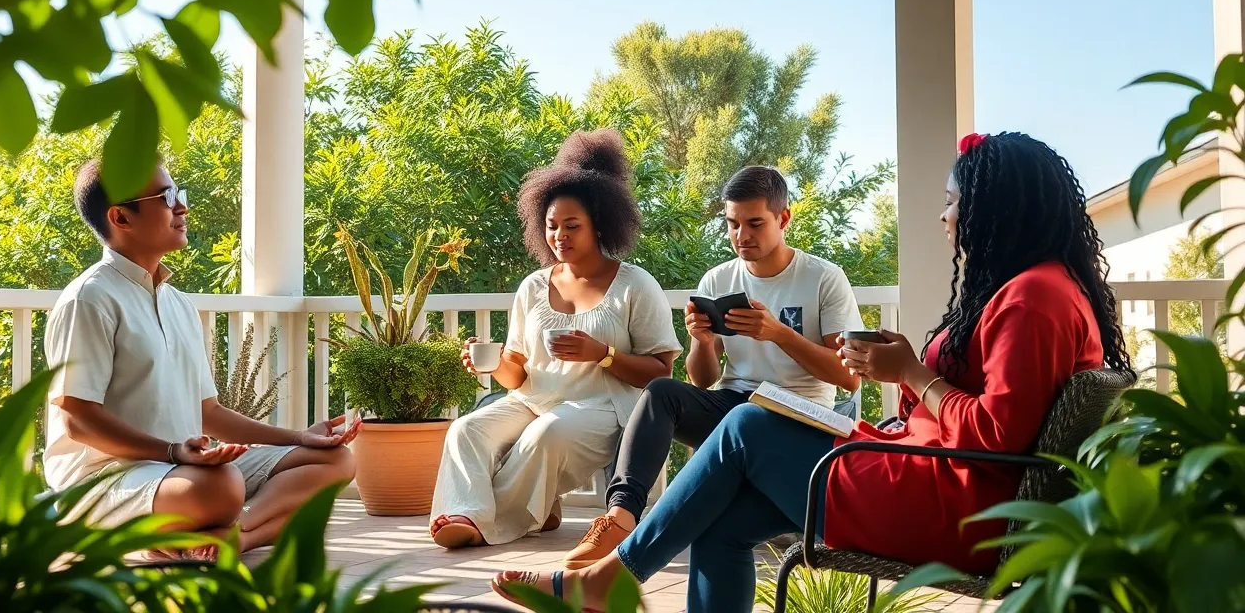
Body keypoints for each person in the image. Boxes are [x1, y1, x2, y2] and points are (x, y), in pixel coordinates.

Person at [492, 132, 1134, 612]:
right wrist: (908, 369)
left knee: (747, 425)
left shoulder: (1034, 299)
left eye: (952, 202)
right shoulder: (1032, 292)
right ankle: (613, 570)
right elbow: (989, 413)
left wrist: (914, 373)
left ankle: (612, 575)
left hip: (956, 507)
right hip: (935, 480)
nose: (944, 217)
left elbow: (997, 437)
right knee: (718, 511)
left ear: (996, 211)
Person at [44, 160, 360, 558]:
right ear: (120, 216)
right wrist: (173, 453)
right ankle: (187, 535)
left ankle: (233, 538)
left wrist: (299, 437)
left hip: (182, 469)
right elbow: (78, 418)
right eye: (166, 197)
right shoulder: (89, 299)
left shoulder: (178, 304)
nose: (182, 208)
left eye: (179, 194)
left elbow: (208, 412)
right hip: (109, 478)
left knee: (335, 461)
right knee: (222, 486)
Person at [561, 165, 865, 569]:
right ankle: (620, 516)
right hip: (735, 404)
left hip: (800, 413)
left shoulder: (823, 278)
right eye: (732, 224)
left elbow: (847, 377)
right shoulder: (718, 279)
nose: (742, 236)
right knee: (661, 393)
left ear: (783, 218)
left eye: (755, 223)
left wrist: (779, 334)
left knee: (746, 417)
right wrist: (703, 343)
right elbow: (702, 379)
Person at [429, 129, 682, 549]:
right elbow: (517, 373)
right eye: (551, 226)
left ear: (599, 225)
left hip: (603, 408)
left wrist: (602, 355)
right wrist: (490, 366)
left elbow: (660, 369)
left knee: (546, 434)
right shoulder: (533, 286)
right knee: (466, 429)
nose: (559, 236)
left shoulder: (635, 285)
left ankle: (487, 524)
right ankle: (466, 512)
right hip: (533, 400)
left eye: (571, 226)